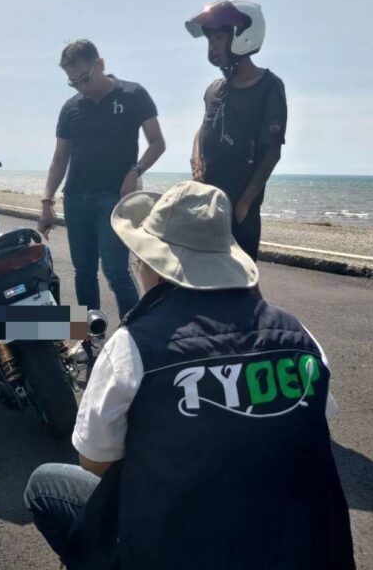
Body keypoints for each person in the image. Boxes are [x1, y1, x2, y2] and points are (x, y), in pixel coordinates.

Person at [25, 181, 355, 569]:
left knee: (44, 485)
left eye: (140, 259)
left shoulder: (134, 345)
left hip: (180, 550)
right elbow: (316, 423)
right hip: (305, 551)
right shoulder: (299, 337)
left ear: (157, 268)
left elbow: (94, 460)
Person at [37, 39, 166, 320]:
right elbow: (60, 159)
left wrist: (135, 171)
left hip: (113, 199)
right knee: (83, 271)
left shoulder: (134, 94)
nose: (81, 87)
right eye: (73, 82)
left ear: (101, 64)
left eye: (85, 78)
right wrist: (47, 200)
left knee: (116, 270)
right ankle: (88, 338)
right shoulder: (71, 108)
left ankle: (136, 337)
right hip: (75, 199)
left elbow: (157, 143)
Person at [187, 0, 287, 261]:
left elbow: (272, 151)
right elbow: (203, 127)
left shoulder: (268, 86)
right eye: (210, 40)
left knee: (240, 285)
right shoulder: (213, 89)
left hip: (240, 210)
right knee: (204, 282)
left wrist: (245, 202)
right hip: (207, 204)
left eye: (219, 37)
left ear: (243, 35)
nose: (213, 46)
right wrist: (195, 156)